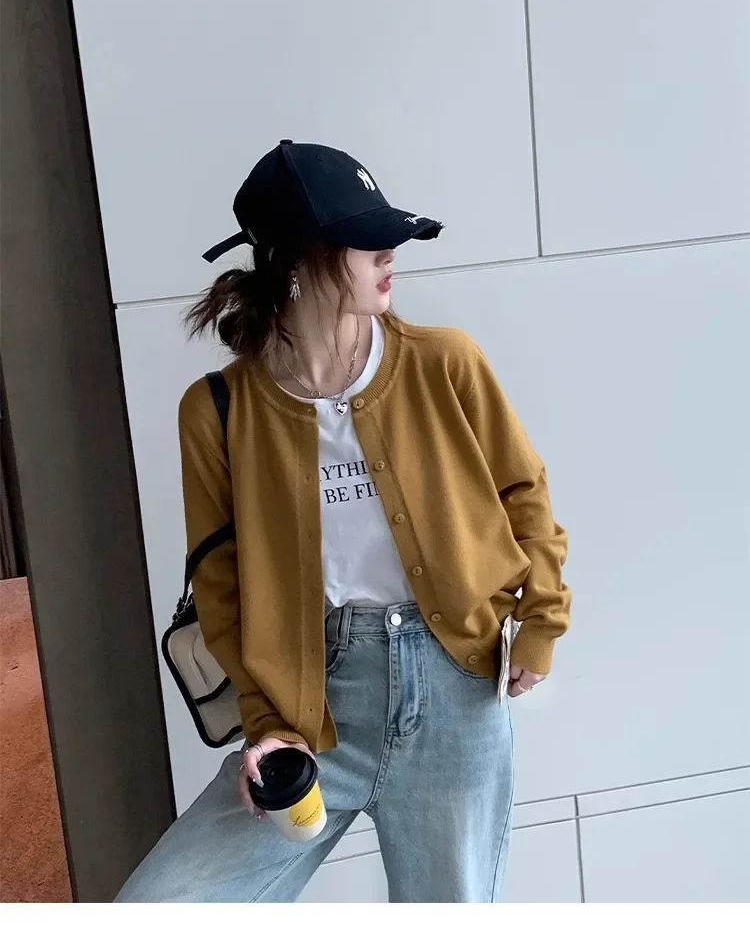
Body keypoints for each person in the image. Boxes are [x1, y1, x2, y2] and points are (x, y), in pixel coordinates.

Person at [114, 139, 571, 903]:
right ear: (296, 261)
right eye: (364, 239)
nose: (389, 253)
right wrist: (266, 720)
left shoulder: (444, 363)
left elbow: (525, 492)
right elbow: (219, 582)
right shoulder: (217, 412)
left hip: (455, 697)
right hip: (312, 707)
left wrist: (542, 622)